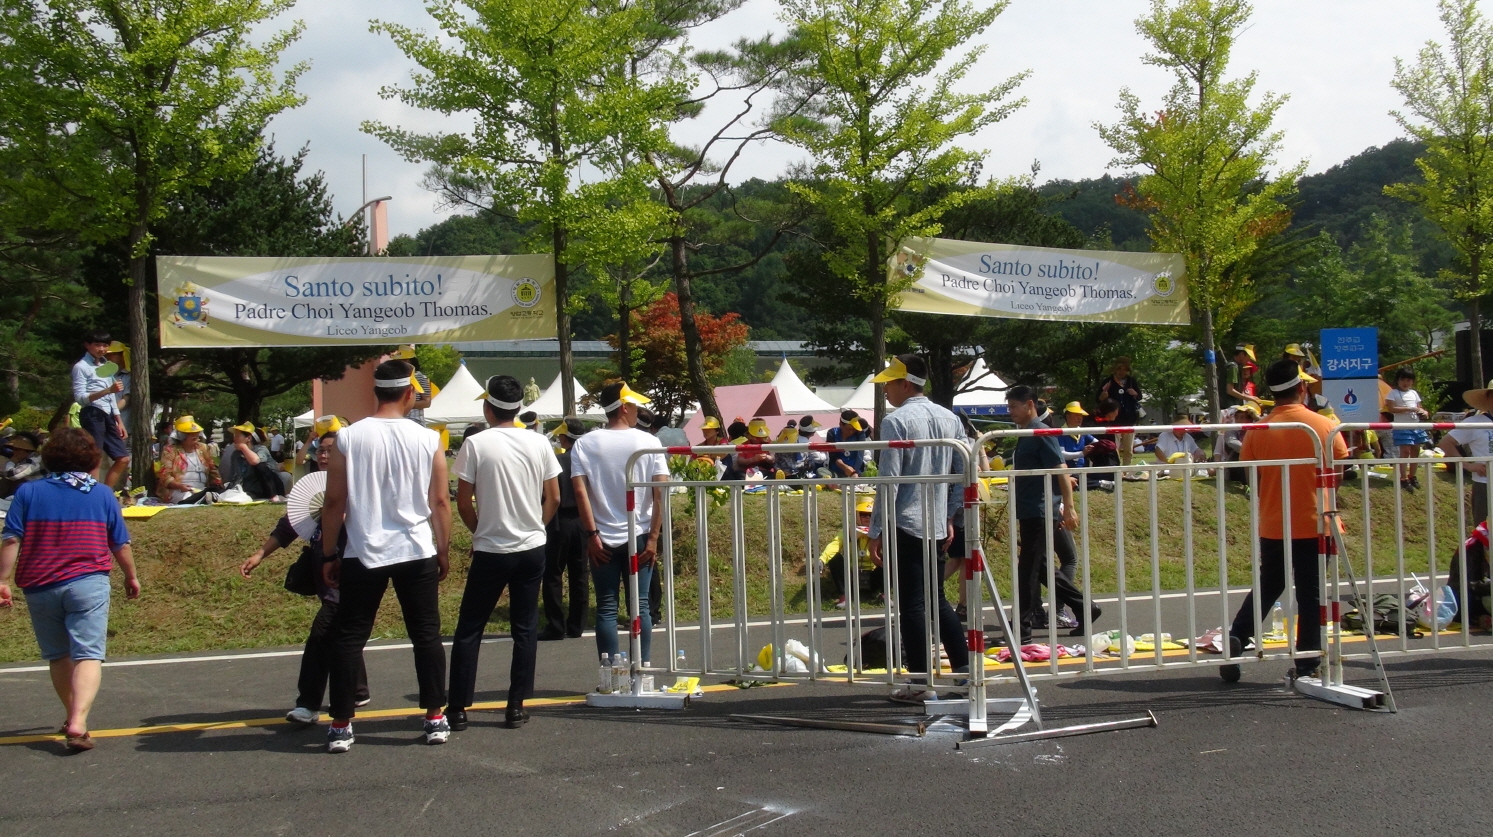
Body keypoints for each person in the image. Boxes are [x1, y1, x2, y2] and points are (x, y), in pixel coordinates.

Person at [319, 359, 452, 752]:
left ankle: (341, 723)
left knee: (350, 636)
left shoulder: (348, 437)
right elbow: (440, 501)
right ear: (409, 393)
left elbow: (334, 501)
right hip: (415, 547)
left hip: (363, 549)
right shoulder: (428, 439)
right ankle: (435, 717)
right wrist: (443, 548)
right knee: (425, 634)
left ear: (375, 390)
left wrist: (329, 553)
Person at [0, 428, 140, 751]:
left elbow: (11, 538)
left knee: (59, 654)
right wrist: (131, 576)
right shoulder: (102, 495)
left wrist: (3, 580)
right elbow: (120, 543)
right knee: (88, 653)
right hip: (88, 582)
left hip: (40, 584)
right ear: (90, 459)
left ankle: (70, 713)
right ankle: (78, 720)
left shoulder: (28, 492)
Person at [444, 375, 561, 733]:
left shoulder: (476, 443)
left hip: (492, 547)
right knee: (524, 627)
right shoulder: (539, 442)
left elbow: (464, 502)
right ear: (519, 407)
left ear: (487, 407)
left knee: (470, 627)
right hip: (531, 546)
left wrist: (479, 530)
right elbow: (554, 497)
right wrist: (537, 527)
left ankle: (458, 708)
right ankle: (515, 705)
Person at [1222, 360, 1350, 682]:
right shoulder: (1324, 426)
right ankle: (1307, 661)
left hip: (1274, 521)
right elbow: (1337, 475)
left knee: (1269, 584)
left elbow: (1251, 475)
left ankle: (1239, 635)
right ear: (1302, 387)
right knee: (1311, 592)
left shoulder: (1258, 430)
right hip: (1315, 521)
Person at [238, 427, 370, 723]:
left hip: (350, 574)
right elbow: (290, 525)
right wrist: (260, 554)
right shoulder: (314, 491)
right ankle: (357, 690)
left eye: (331, 451)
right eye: (321, 450)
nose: (324, 456)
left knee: (321, 636)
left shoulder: (360, 488)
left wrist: (344, 516)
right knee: (344, 633)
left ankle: (308, 704)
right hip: (323, 575)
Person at [865, 354, 968, 704]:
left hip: (906, 521)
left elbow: (889, 480)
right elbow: (964, 472)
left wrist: (875, 530)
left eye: (889, 384)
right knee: (936, 599)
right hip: (936, 521)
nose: (886, 392)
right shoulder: (950, 418)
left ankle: (922, 683)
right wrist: (950, 515)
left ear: (905, 383)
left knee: (911, 604)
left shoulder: (896, 421)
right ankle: (965, 672)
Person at [570, 382, 669, 668]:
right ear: (624, 407)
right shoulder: (648, 442)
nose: (637, 410)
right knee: (640, 606)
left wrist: (591, 534)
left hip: (601, 536)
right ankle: (643, 667)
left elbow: (580, 492)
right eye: (634, 405)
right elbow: (660, 493)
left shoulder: (585, 443)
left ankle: (610, 674)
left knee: (606, 607)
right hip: (639, 534)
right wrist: (654, 538)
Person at [1008, 385, 1101, 641]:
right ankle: (1085, 607)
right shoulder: (1025, 433)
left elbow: (1061, 470)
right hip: (1028, 508)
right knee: (1041, 567)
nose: (1010, 411)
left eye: (1014, 406)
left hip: (1040, 509)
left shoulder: (1042, 432)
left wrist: (1068, 507)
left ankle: (1022, 630)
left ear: (1029, 404)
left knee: (1028, 569)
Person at [540, 418, 591, 641]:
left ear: (563, 437)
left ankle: (555, 624)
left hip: (558, 521)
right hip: (583, 520)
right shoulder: (588, 461)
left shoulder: (557, 461)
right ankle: (577, 624)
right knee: (580, 574)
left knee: (553, 574)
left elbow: (547, 494)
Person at [70, 331, 130, 490]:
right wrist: (108, 390)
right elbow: (80, 398)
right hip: (92, 413)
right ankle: (92, 494)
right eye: (97, 345)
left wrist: (119, 420)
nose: (102, 349)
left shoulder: (106, 366)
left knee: (123, 458)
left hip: (108, 414)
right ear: (87, 345)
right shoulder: (81, 367)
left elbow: (111, 397)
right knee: (95, 458)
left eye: (105, 345)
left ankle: (105, 492)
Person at [1441, 380, 1493, 525]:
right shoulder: (1475, 422)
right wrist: (1468, 465)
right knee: (1484, 528)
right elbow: (1446, 443)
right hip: (1485, 483)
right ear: (1487, 399)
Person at [818, 497, 882, 609]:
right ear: (857, 515)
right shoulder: (848, 530)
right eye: (863, 514)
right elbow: (835, 544)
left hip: (874, 575)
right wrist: (822, 559)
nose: (867, 517)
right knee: (834, 557)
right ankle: (844, 596)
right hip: (852, 576)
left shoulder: (880, 531)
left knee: (892, 556)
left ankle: (884, 594)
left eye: (870, 514)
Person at [156, 416, 223, 503]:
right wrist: (179, 486)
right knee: (187, 497)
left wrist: (218, 484)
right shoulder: (170, 450)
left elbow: (213, 470)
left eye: (196, 433)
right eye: (190, 434)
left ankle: (204, 498)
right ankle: (203, 500)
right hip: (178, 491)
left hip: (202, 490)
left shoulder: (203, 448)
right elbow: (164, 476)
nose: (195, 436)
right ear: (181, 436)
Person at [1385, 367, 1430, 490]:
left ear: (1412, 381)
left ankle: (1412, 476)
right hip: (1402, 426)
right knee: (1405, 451)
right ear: (1398, 380)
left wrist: (1424, 412)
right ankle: (1403, 478)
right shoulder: (1393, 393)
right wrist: (1408, 409)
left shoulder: (1414, 393)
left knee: (1416, 450)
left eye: (1409, 380)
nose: (1406, 383)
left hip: (1416, 425)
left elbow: (1419, 407)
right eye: (1403, 380)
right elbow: (1391, 409)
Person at [1097, 357, 1142, 467]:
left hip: (1129, 419)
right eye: (1119, 369)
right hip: (1113, 419)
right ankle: (1116, 469)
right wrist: (1102, 397)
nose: (1122, 372)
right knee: (1114, 447)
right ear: (1115, 369)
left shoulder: (1131, 381)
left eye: (1124, 369)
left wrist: (1135, 393)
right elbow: (1098, 398)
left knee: (1128, 449)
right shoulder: (1108, 382)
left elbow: (1139, 396)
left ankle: (1127, 469)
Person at [220, 422, 283, 500]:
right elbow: (234, 475)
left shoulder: (261, 449)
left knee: (260, 466)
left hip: (263, 487)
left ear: (248, 438)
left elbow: (255, 461)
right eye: (234, 436)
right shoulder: (236, 454)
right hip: (244, 488)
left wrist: (243, 447)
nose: (234, 439)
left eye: (237, 436)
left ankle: (274, 496)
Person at [390, 346, 433, 425]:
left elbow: (427, 402)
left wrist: (406, 404)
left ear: (411, 361)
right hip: (397, 419)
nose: (402, 363)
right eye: (399, 361)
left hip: (415, 420)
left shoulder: (419, 376)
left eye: (404, 360)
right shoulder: (395, 377)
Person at [826, 410, 870, 479]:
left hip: (856, 472)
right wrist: (845, 468)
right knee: (820, 471)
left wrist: (854, 472)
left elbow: (860, 456)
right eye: (848, 429)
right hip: (836, 472)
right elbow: (833, 456)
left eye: (854, 429)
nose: (851, 432)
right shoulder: (832, 433)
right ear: (840, 424)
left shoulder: (859, 434)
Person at [1, 431, 44, 498]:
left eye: (17, 449)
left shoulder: (33, 461)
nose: (14, 452)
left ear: (27, 450)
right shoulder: (24, 459)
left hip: (35, 494)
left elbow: (12, 475)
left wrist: (12, 461)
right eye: (13, 449)